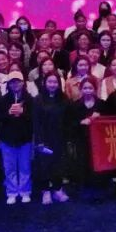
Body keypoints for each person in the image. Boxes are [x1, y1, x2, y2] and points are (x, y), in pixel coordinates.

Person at [0, 71, 33, 205]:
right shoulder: (2, 101)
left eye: (18, 81)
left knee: (25, 167)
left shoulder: (30, 100)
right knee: (9, 167)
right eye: (12, 82)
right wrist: (8, 113)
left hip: (25, 138)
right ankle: (12, 192)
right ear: (8, 84)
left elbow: (35, 118)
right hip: (7, 139)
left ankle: (25, 191)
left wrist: (23, 112)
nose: (15, 84)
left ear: (23, 83)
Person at [33, 72, 71, 205]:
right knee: (44, 165)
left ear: (59, 84)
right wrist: (39, 141)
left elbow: (68, 120)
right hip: (43, 138)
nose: (52, 85)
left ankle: (57, 189)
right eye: (49, 82)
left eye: (55, 82)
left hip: (59, 137)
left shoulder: (64, 99)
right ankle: (45, 191)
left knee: (58, 164)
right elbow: (36, 121)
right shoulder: (38, 100)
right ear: (45, 83)